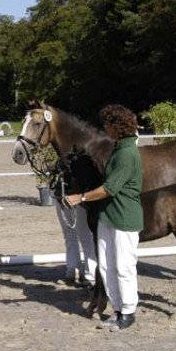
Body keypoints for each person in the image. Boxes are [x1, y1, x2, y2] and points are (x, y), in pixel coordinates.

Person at [66, 104, 143, 331]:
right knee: (107, 265)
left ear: (117, 126)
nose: (105, 129)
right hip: (108, 215)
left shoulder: (128, 153)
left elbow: (110, 188)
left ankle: (128, 312)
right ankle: (118, 309)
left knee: (124, 265)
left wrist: (81, 197)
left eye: (108, 125)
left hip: (123, 216)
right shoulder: (119, 149)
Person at [56, 202, 97, 286]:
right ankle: (75, 270)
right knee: (78, 233)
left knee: (80, 233)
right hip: (64, 194)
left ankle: (87, 273)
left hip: (77, 195)